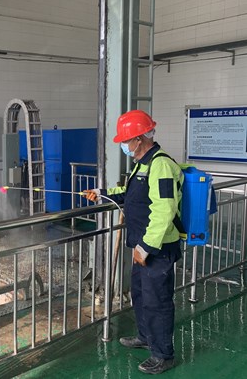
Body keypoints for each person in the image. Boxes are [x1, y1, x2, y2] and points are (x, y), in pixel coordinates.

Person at [84, 110, 183, 375]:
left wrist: (146, 248)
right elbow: (129, 193)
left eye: (126, 140)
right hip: (141, 245)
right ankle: (145, 337)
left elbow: (164, 210)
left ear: (139, 139)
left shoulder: (160, 165)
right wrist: (101, 193)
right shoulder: (142, 163)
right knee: (140, 295)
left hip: (156, 249)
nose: (124, 145)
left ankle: (163, 355)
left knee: (157, 301)